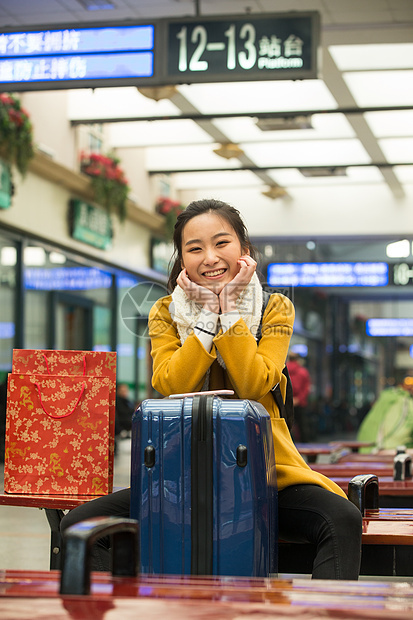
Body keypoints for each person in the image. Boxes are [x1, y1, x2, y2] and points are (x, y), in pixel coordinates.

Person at [60, 198, 362, 579]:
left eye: (222, 243)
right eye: (195, 248)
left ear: (244, 252)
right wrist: (206, 318)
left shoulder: (275, 308)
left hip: (266, 475)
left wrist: (229, 311)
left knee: (341, 520)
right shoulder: (165, 312)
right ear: (182, 259)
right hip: (177, 474)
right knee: (79, 525)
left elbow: (253, 383)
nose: (210, 257)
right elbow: (172, 383)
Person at [287, 351, 312, 442]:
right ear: (298, 359)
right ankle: (306, 449)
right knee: (302, 427)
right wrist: (298, 399)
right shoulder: (303, 372)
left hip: (287, 404)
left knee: (287, 427)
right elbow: (306, 389)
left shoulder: (284, 371)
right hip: (300, 404)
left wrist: (289, 400)